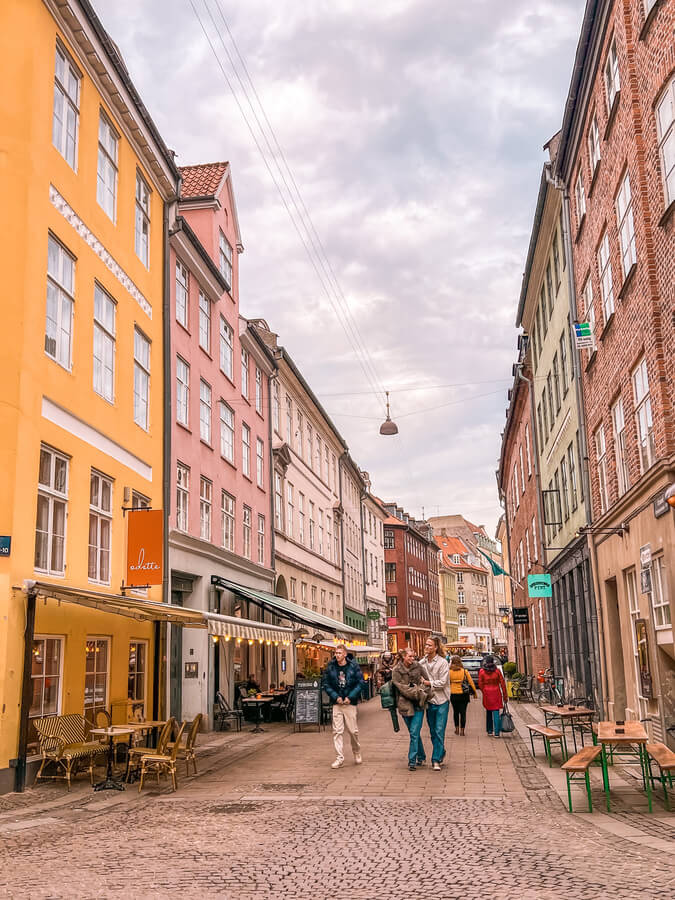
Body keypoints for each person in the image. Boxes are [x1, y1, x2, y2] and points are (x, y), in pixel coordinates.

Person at [322, 644, 364, 768]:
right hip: (337, 703)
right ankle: (339, 758)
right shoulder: (331, 667)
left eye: (340, 653)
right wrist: (336, 697)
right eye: (336, 653)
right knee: (337, 731)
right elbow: (326, 684)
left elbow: (360, 683)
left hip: (350, 703)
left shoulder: (353, 666)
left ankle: (356, 751)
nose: (337, 655)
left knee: (353, 731)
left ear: (345, 654)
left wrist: (350, 697)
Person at [392, 647, 430, 771]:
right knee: (414, 733)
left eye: (413, 656)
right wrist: (415, 691)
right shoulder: (397, 670)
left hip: (419, 703)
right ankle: (422, 756)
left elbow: (427, 681)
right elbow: (400, 687)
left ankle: (412, 761)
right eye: (410, 656)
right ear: (403, 657)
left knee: (414, 732)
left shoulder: (418, 666)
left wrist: (422, 689)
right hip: (404, 705)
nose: (412, 659)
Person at [419, 637, 450, 771]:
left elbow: (443, 682)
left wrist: (427, 683)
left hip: (442, 700)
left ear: (435, 647)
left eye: (429, 645)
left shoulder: (443, 663)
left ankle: (435, 760)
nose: (426, 647)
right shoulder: (422, 663)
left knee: (439, 730)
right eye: (426, 644)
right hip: (429, 701)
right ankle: (441, 750)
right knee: (432, 731)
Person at [478, 655, 507, 737]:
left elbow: (480, 683)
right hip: (496, 692)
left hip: (487, 692)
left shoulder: (482, 671)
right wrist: (505, 695)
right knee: (496, 712)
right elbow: (502, 683)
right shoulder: (497, 671)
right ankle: (497, 732)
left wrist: (484, 690)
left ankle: (490, 730)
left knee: (488, 711)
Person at [449, 655, 476, 736]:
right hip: (463, 694)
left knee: (455, 712)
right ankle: (462, 731)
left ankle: (456, 729)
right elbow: (471, 682)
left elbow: (446, 683)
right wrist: (475, 693)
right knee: (463, 713)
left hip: (453, 694)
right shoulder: (464, 671)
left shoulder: (449, 672)